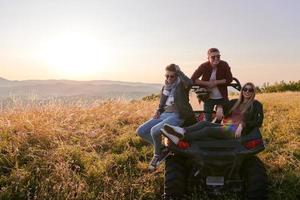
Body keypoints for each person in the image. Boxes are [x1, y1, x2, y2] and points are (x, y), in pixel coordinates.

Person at [136, 64, 196, 171]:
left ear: (177, 75)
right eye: (166, 76)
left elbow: (190, 83)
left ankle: (157, 154)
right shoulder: (165, 87)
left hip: (178, 114)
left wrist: (180, 72)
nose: (168, 78)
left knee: (154, 131)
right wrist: (158, 111)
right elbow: (162, 103)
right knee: (141, 130)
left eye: (172, 76)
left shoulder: (182, 85)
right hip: (164, 114)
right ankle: (163, 148)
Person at [161, 82, 263, 144]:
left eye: (250, 90)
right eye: (245, 89)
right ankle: (181, 130)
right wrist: (219, 107)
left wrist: (242, 125)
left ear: (253, 92)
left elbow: (258, 121)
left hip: (235, 131)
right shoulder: (235, 102)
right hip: (226, 126)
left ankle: (181, 137)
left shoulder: (256, 104)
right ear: (242, 91)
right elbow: (223, 104)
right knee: (203, 123)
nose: (247, 92)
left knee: (207, 130)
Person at [191, 48, 233, 122]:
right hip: (208, 98)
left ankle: (221, 130)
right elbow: (193, 79)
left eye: (218, 56)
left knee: (227, 118)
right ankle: (208, 129)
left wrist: (216, 82)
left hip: (222, 98)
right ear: (208, 58)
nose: (216, 59)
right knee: (207, 120)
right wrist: (207, 83)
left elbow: (229, 79)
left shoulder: (224, 64)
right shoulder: (203, 66)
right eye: (213, 57)